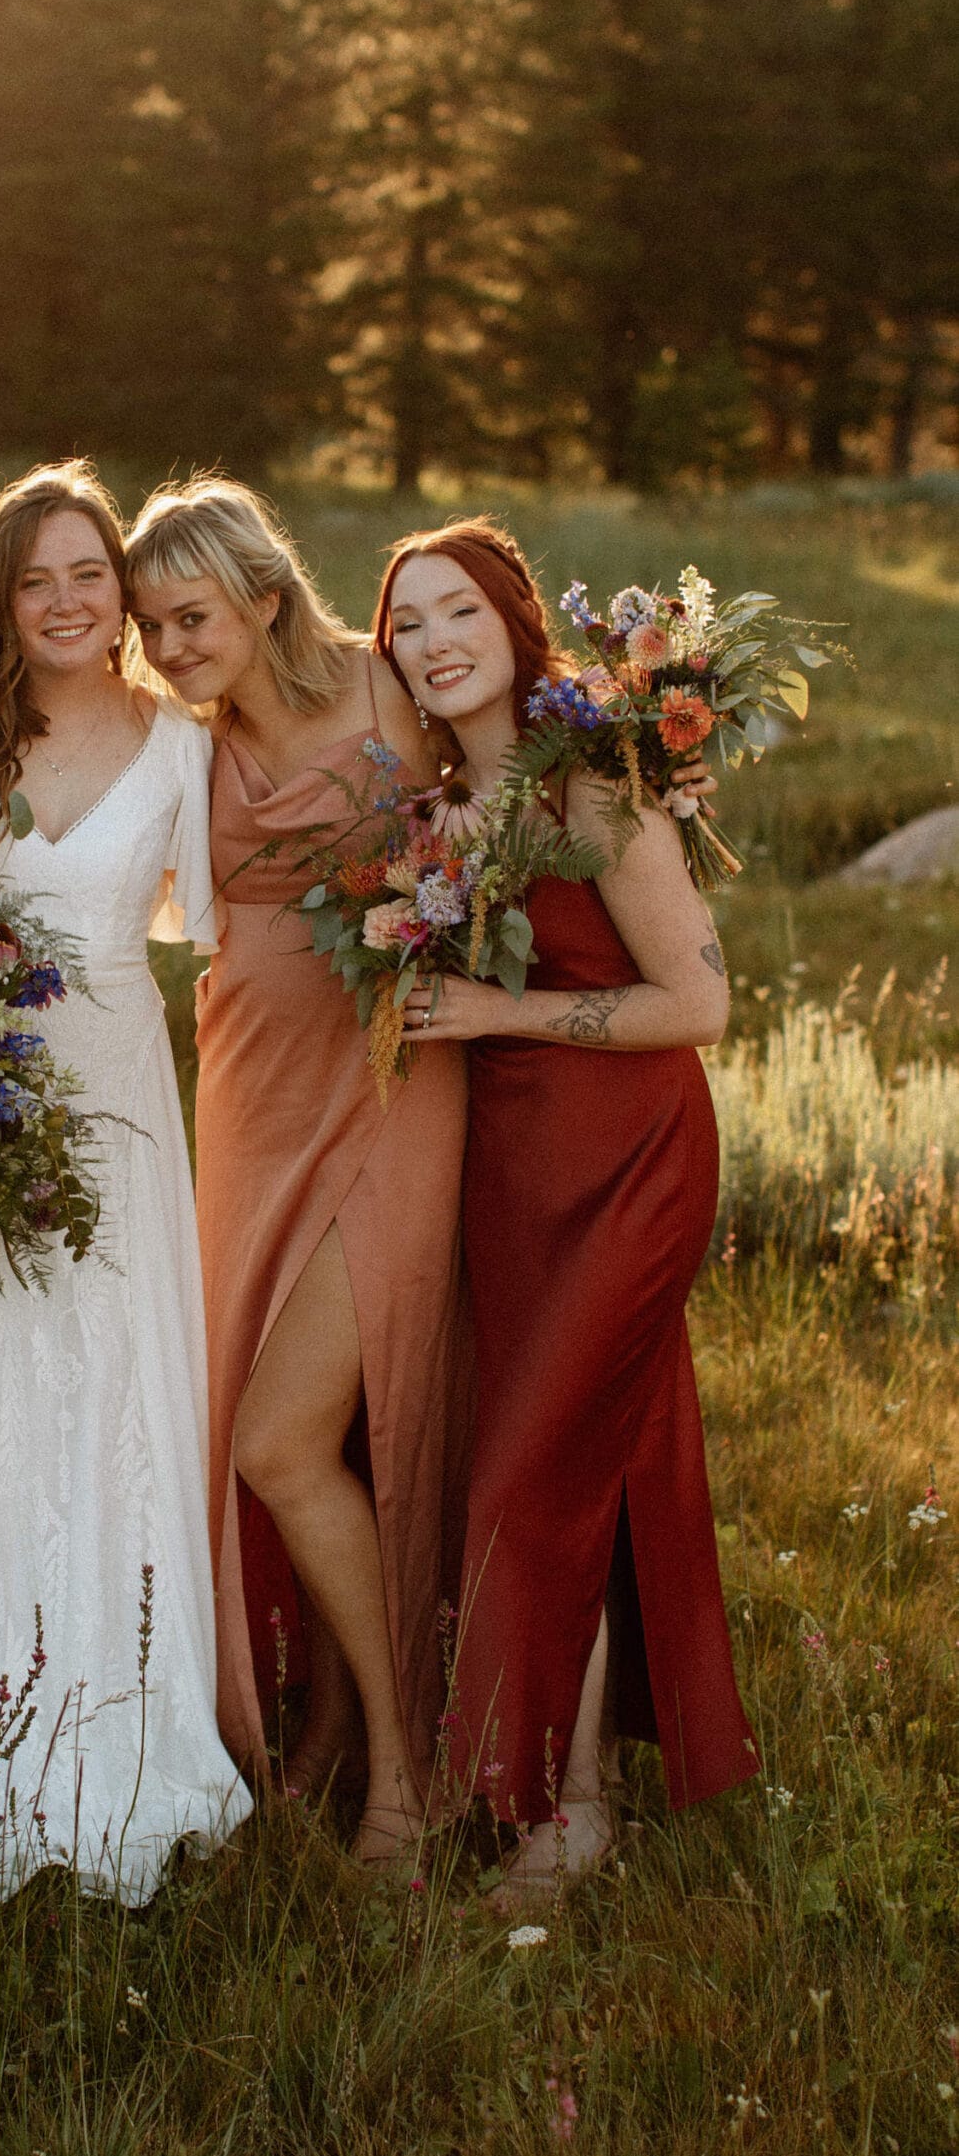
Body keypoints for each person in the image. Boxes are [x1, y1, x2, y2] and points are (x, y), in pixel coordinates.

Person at [0, 462, 252, 1906]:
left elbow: (216, 940)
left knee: (111, 1394)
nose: (71, 600)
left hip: (116, 1114)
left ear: (124, 595)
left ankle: (122, 1731)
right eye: (40, 579)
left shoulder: (181, 749)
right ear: (6, 600)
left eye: (94, 575)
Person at [381, 518, 758, 1893]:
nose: (431, 641)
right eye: (404, 624)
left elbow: (697, 1004)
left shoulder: (593, 783)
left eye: (454, 612)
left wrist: (493, 1009)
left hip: (627, 1160)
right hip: (505, 1176)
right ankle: (561, 1777)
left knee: (527, 1473)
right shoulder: (428, 822)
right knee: (574, 1462)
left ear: (511, 620)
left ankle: (567, 1811)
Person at [126, 479, 468, 1868]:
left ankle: (408, 1772)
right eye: (148, 623)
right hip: (249, 1095)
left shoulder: (395, 698)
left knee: (280, 1438)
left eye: (189, 615)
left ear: (265, 599)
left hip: (390, 1081)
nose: (165, 643)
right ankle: (322, 1724)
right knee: (277, 1435)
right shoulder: (174, 748)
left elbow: (527, 768)